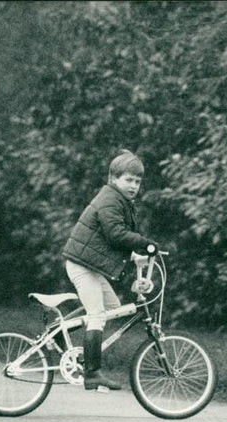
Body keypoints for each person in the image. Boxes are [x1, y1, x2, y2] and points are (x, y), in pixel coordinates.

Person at [62, 150, 159, 391]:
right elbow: (115, 233)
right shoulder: (110, 199)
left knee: (112, 309)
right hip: (82, 264)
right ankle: (92, 374)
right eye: (128, 180)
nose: (134, 186)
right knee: (97, 315)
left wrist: (136, 254)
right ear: (113, 178)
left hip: (88, 262)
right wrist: (144, 243)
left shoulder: (119, 201)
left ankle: (59, 331)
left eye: (137, 181)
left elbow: (110, 241)